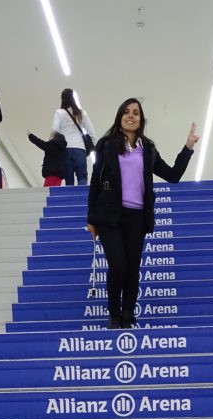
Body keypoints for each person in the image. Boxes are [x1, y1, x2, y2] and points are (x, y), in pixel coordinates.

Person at [87, 98, 199, 329]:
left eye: (136, 113)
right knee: (118, 265)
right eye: (127, 112)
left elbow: (173, 175)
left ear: (141, 120)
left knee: (132, 268)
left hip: (137, 217)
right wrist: (91, 220)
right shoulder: (106, 145)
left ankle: (128, 316)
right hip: (109, 216)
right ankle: (114, 315)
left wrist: (188, 148)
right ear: (120, 118)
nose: (131, 116)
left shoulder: (148, 149)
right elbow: (95, 183)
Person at [51, 88, 96, 186]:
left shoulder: (59, 113)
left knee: (69, 180)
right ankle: (82, 201)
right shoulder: (81, 113)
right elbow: (91, 131)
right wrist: (95, 146)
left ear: (62, 99)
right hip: (79, 149)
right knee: (82, 177)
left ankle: (70, 201)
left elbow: (54, 130)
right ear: (73, 98)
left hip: (65, 150)